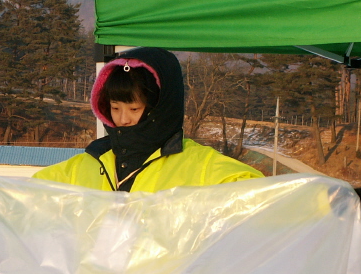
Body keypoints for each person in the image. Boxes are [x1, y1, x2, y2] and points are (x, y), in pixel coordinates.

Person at [33, 46, 264, 191]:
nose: (122, 119)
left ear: (160, 108)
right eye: (115, 107)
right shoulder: (88, 164)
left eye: (134, 109)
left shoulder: (198, 164)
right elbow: (19, 194)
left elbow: (261, 197)